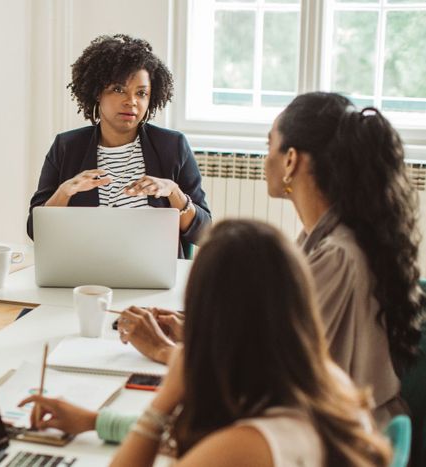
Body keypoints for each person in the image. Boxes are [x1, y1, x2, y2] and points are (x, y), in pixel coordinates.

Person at [121, 92, 424, 426]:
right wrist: (194, 333)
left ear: (291, 160)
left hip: (341, 438)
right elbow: (274, 339)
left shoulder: (338, 256)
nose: (265, 160)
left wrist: (164, 350)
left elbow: (270, 376)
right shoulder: (318, 237)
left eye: (269, 146)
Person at [22, 220, 391, 466]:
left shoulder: (247, 447)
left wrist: (166, 397)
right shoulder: (326, 384)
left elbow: (220, 448)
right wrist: (95, 421)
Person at [26, 34, 210, 257]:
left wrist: (174, 192)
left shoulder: (172, 146)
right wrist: (64, 192)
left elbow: (204, 233)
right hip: (85, 274)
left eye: (141, 93)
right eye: (118, 89)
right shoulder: (66, 147)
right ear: (97, 93)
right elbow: (36, 230)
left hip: (153, 275)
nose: (131, 101)